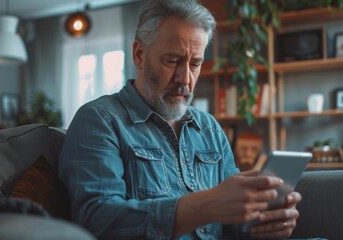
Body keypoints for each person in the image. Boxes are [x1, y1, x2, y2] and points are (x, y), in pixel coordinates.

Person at [58, 0, 301, 239]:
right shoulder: (100, 120)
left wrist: (263, 223)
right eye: (172, 61)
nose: (185, 79)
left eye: (195, 64)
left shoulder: (208, 128)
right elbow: (96, 220)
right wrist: (206, 205)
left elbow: (233, 224)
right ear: (139, 54)